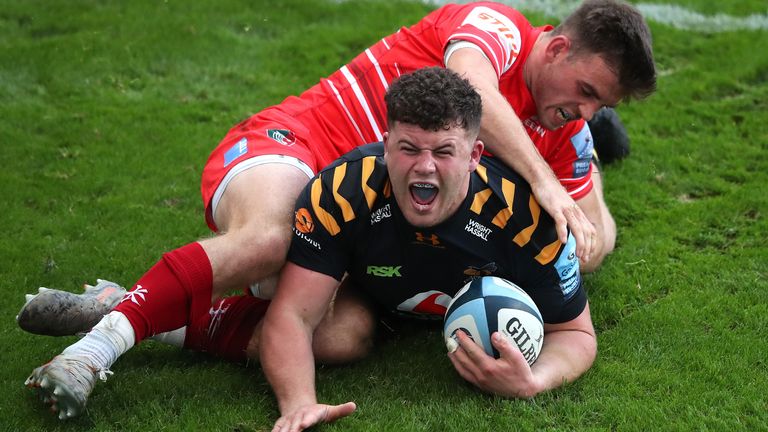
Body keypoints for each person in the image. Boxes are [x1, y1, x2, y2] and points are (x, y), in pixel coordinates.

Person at [23, 0, 654, 420]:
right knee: (272, 237)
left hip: (371, 220)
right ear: (557, 48)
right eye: (587, 91)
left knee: (344, 335)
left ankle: (142, 309)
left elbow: (592, 235)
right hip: (297, 149)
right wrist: (546, 183)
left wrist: (585, 189)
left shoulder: (562, 130)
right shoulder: (498, 30)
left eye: (602, 107)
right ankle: (94, 351)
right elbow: (473, 89)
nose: (585, 109)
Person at [260, 67, 595, 431]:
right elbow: (294, 313)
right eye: (408, 148)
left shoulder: (526, 216)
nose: (424, 166)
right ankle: (211, 323)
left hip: (399, 297)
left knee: (599, 243)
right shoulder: (343, 191)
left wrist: (533, 382)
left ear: (474, 155)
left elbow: (575, 333)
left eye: (443, 151)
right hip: (367, 298)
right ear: (386, 146)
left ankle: (591, 156)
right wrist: (298, 405)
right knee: (339, 338)